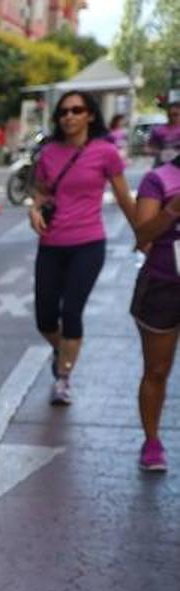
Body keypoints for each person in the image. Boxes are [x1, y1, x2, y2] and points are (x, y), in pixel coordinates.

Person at [30, 91, 136, 405]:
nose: (69, 117)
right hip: (50, 244)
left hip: (88, 244)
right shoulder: (48, 153)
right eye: (63, 112)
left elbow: (123, 197)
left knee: (71, 311)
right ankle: (63, 348)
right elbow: (40, 192)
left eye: (77, 110)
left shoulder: (105, 152)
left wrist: (143, 234)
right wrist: (34, 210)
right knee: (45, 319)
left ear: (90, 115)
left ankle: (63, 378)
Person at [128, 158, 180, 471]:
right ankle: (152, 441)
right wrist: (172, 210)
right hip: (163, 286)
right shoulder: (159, 179)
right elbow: (141, 235)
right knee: (157, 370)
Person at [147, 96, 180, 168]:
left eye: (176, 114)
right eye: (171, 114)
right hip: (162, 167)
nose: (173, 117)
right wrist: (160, 153)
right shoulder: (158, 130)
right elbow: (148, 148)